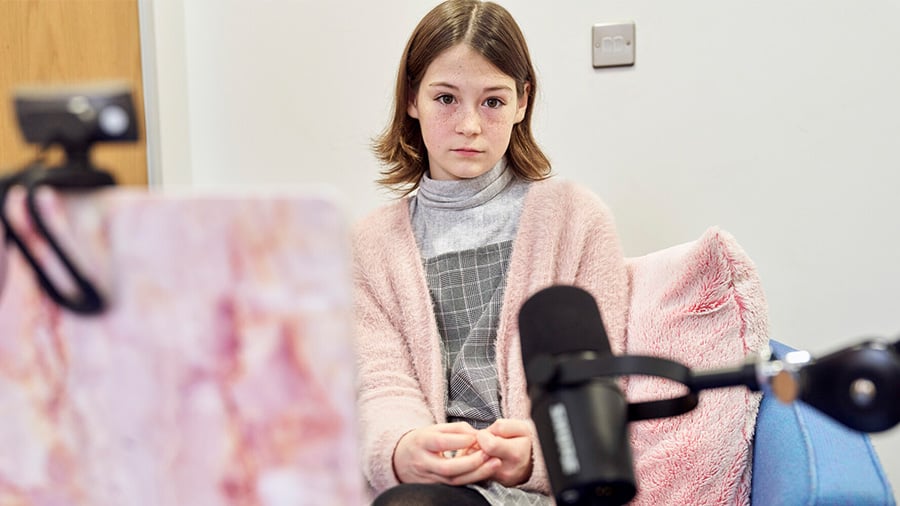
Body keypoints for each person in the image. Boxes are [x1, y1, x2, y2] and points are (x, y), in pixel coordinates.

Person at [352, 1, 632, 504]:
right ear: (412, 99)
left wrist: (535, 455)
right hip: (429, 489)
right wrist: (401, 450)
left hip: (547, 490)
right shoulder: (370, 246)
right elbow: (380, 383)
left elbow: (600, 388)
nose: (470, 126)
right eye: (446, 99)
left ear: (523, 102)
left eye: (493, 102)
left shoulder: (575, 219)